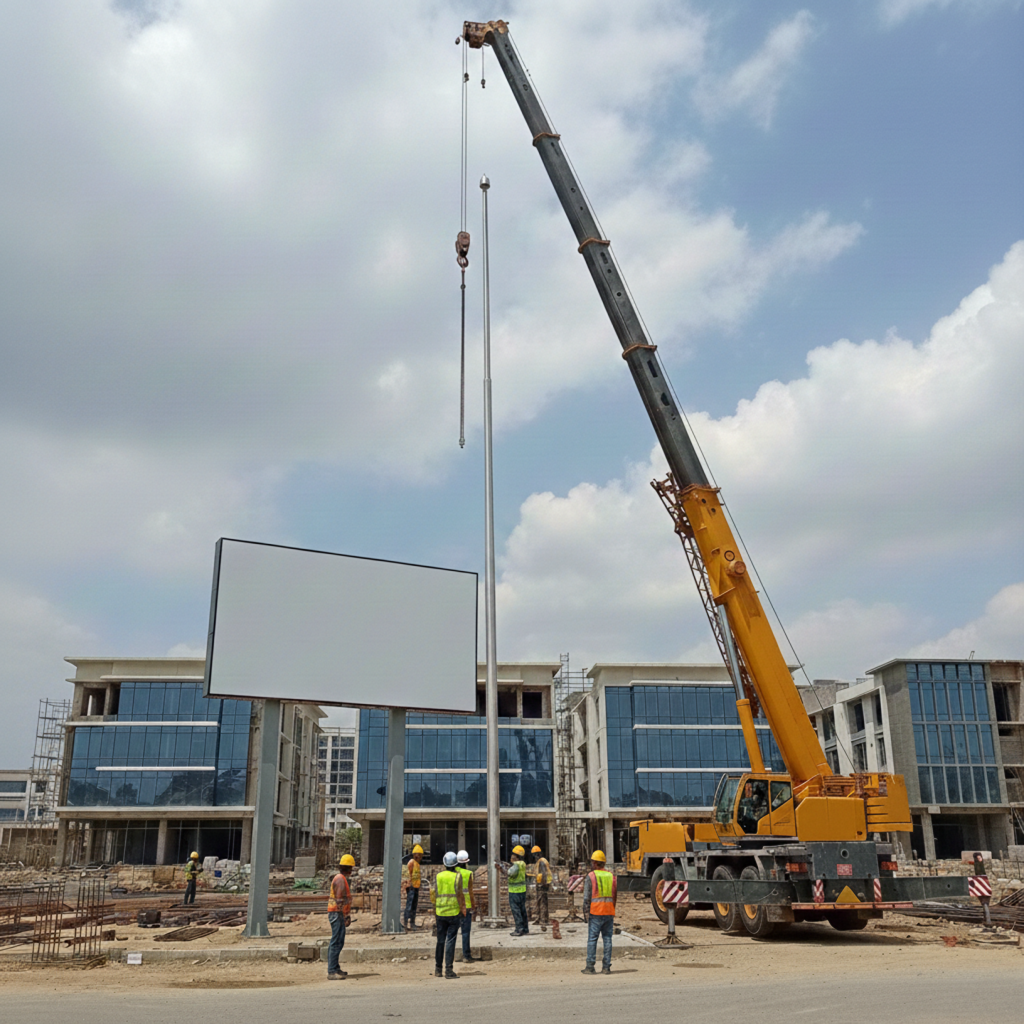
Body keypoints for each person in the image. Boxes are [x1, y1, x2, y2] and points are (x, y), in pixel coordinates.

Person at [581, 850, 616, 975]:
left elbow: (586, 898)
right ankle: (606, 967)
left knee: (592, 939)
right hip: (609, 911)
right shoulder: (611, 876)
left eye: (592, 862)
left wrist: (585, 912)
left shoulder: (591, 876)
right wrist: (612, 909)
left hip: (595, 912)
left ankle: (590, 966)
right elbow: (614, 895)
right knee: (607, 939)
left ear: (595, 863)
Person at [434, 851, 466, 979]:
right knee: (450, 941)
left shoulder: (438, 876)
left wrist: (434, 909)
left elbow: (434, 894)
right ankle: (448, 970)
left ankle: (437, 969)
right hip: (453, 913)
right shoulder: (457, 877)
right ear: (455, 864)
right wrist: (463, 908)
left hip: (440, 912)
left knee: (440, 941)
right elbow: (459, 894)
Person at [327, 854, 355, 980]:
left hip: (338, 913)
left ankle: (336, 967)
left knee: (339, 941)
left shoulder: (341, 878)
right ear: (349, 868)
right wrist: (344, 916)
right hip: (336, 913)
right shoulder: (340, 879)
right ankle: (332, 971)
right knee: (336, 941)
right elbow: (339, 900)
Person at [495, 845, 529, 936]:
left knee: (516, 910)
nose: (511, 857)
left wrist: (500, 868)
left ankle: (519, 929)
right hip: (522, 890)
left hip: (515, 891)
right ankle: (525, 928)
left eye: (513, 856)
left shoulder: (516, 866)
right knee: (522, 910)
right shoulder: (522, 864)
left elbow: (509, 873)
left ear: (516, 856)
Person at [455, 850, 476, 963]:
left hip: (454, 906)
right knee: (465, 932)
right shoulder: (468, 874)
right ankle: (466, 956)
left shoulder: (452, 872)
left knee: (452, 932)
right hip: (466, 906)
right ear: (466, 862)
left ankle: (450, 955)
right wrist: (473, 905)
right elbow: (470, 891)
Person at [402, 843, 424, 930]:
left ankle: (412, 923)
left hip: (416, 887)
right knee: (409, 905)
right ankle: (405, 924)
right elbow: (408, 874)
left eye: (420, 855)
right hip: (411, 887)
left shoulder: (417, 864)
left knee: (414, 906)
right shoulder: (411, 862)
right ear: (414, 855)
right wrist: (408, 885)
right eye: (417, 854)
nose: (418, 856)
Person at [532, 845, 551, 925]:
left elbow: (543, 873)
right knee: (541, 901)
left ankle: (543, 920)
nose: (534, 857)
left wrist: (541, 884)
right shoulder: (541, 861)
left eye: (535, 855)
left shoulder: (541, 861)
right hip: (543, 883)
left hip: (542, 884)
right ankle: (540, 918)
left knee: (542, 902)